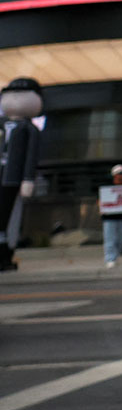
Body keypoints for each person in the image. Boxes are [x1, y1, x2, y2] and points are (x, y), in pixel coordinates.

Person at [0, 77, 45, 271]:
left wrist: (28, 179)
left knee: (10, 217)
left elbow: (30, 157)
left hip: (13, 180)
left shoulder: (30, 129)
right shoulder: (3, 125)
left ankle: (6, 253)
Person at [102, 164, 122, 268]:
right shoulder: (107, 187)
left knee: (121, 238)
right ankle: (110, 258)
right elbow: (101, 199)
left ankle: (116, 254)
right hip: (109, 217)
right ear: (115, 175)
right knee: (110, 238)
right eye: (120, 174)